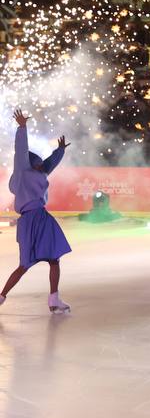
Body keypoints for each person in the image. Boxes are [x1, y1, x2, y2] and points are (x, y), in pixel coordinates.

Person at [1, 109, 72, 314]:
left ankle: (53, 300)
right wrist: (22, 127)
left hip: (39, 219)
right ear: (31, 164)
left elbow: (51, 163)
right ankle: (2, 296)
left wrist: (60, 151)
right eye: (39, 162)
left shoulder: (40, 173)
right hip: (32, 220)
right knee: (24, 265)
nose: (43, 165)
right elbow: (21, 150)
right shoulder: (24, 171)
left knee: (54, 259)